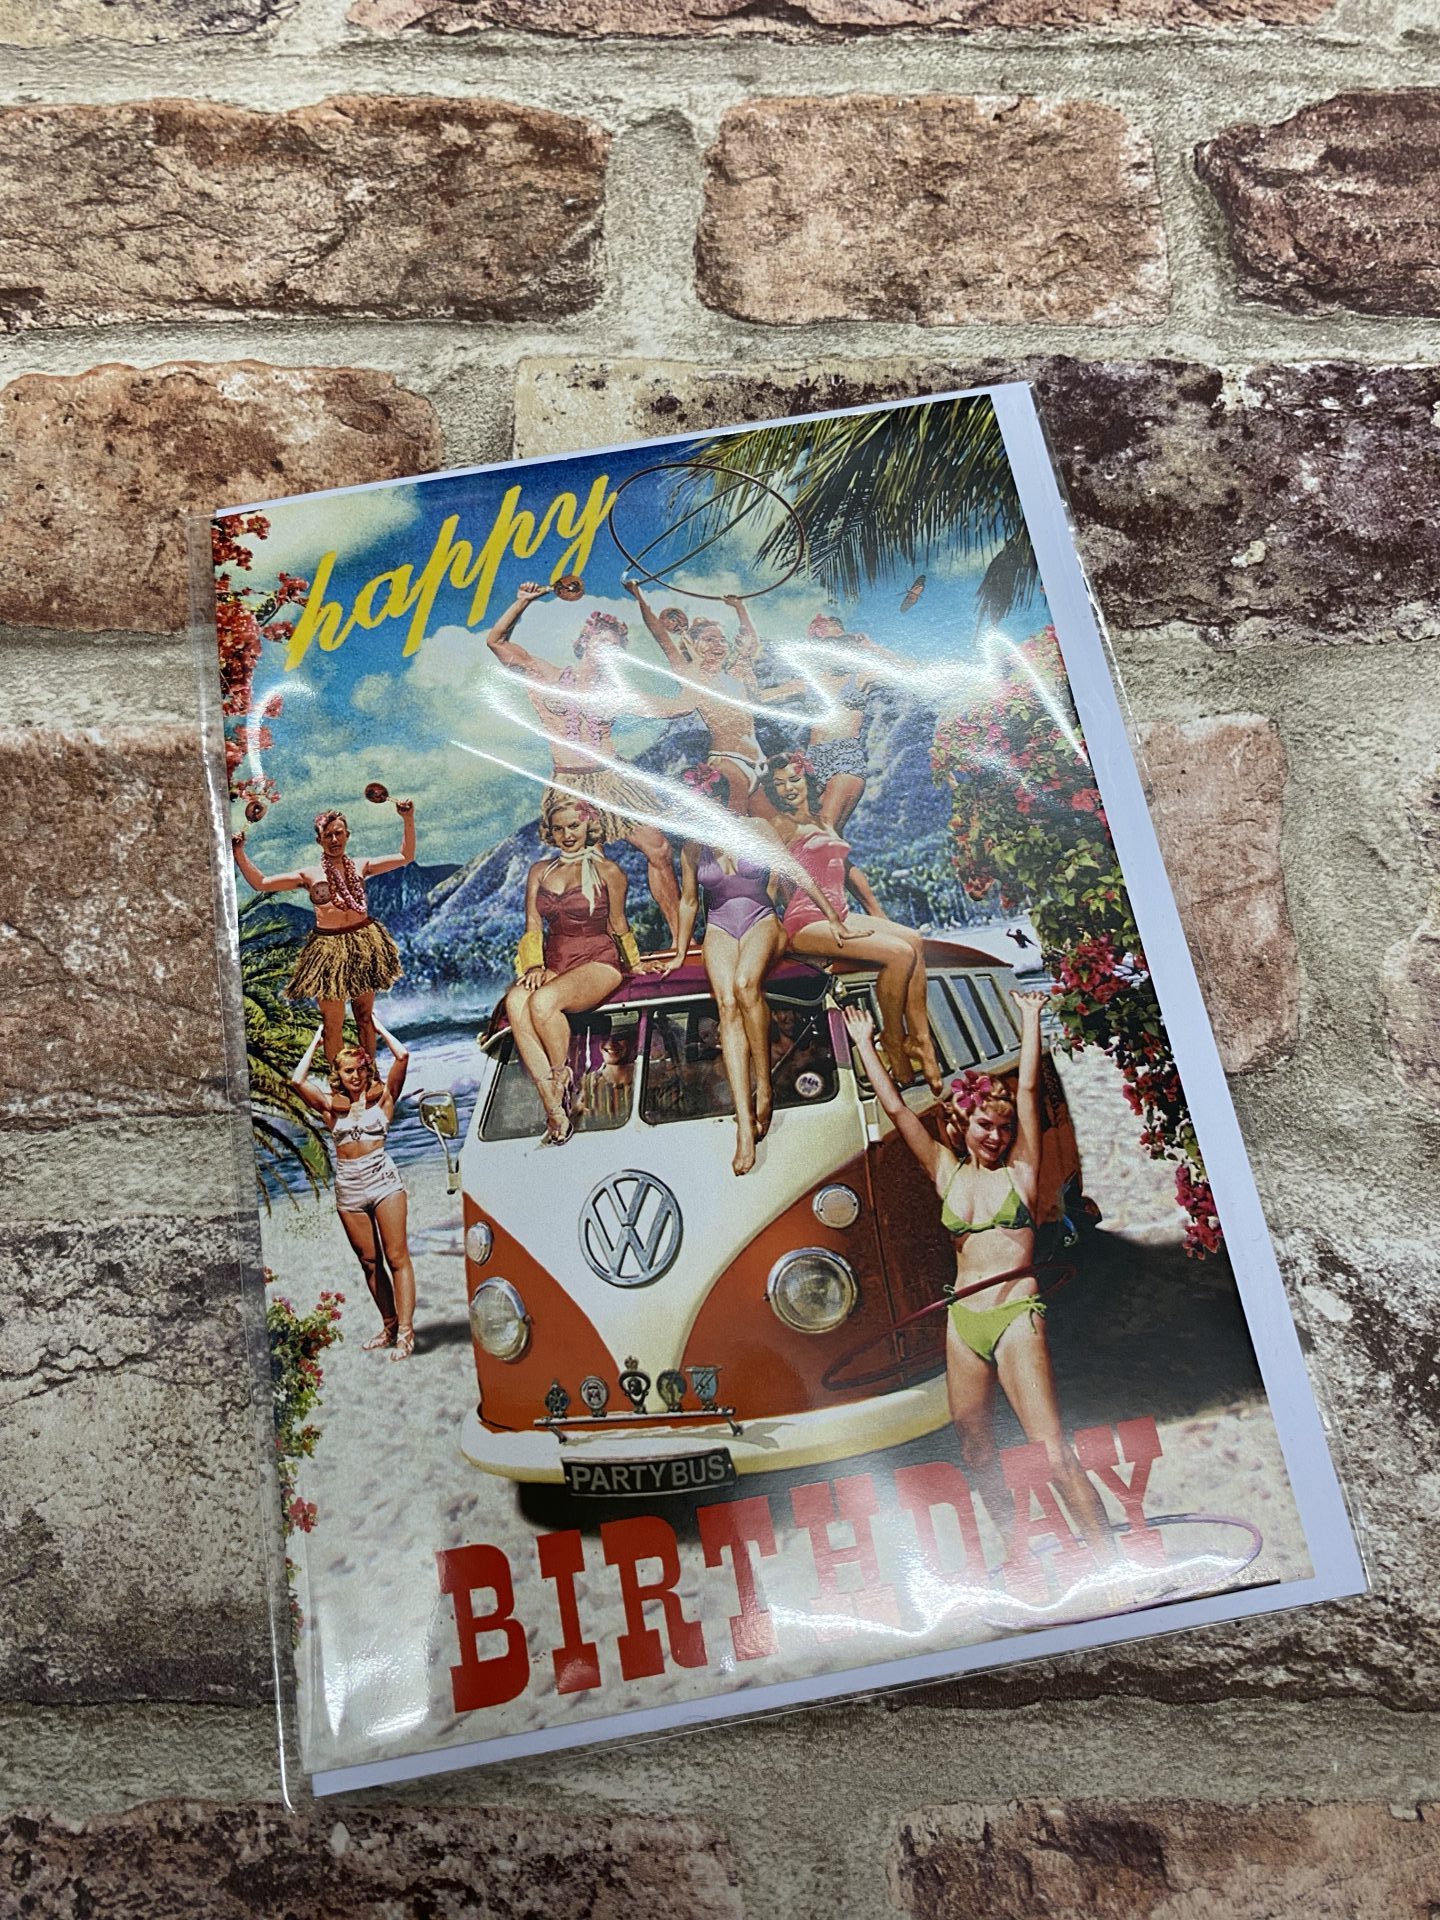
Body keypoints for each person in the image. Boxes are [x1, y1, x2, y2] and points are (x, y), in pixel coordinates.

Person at [841, 995, 1113, 1569]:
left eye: (1004, 1128)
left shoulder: (1022, 1171)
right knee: (976, 1449)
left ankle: (1112, 1565)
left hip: (1015, 1316)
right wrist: (864, 1044)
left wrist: (1031, 1019)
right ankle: (1019, 1553)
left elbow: (1029, 1090)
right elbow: (898, 1111)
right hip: (962, 1320)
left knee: (1050, 1450)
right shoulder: (945, 1172)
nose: (995, 1136)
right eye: (985, 1125)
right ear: (963, 1125)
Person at [659, 762, 854, 1175]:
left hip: (761, 917)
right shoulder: (692, 848)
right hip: (720, 925)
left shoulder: (758, 830)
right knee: (727, 1004)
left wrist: (831, 917)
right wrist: (679, 952)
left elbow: (795, 871)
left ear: (720, 801)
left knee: (746, 985)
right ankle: (744, 1123)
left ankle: (764, 1087)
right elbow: (690, 901)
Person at [485, 581, 680, 939]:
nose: (608, 652)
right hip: (570, 784)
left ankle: (683, 939)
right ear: (585, 642)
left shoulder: (616, 693)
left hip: (613, 780)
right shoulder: (547, 675)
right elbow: (496, 641)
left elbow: (676, 707)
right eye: (601, 642)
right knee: (593, 871)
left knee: (660, 848)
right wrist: (523, 602)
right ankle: (610, 948)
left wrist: (690, 670)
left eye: (615, 648)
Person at [764, 750, 941, 1094]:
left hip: (841, 914)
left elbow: (844, 867)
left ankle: (920, 1040)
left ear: (808, 781)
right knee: (899, 955)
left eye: (794, 779)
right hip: (806, 922)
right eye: (779, 784)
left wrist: (875, 909)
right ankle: (893, 1039)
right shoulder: (780, 825)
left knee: (914, 941)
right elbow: (772, 880)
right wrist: (769, 933)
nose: (788, 788)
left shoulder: (823, 822)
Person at [506, 792, 646, 1144]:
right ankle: (552, 1105)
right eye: (559, 829)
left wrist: (635, 963)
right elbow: (533, 924)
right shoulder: (539, 871)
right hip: (555, 961)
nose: (567, 835)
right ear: (550, 832)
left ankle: (560, 1076)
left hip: (599, 960)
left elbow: (618, 924)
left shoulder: (609, 871)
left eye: (573, 826)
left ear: (587, 826)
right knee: (516, 1001)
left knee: (543, 1003)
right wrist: (534, 964)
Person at [233, 798, 415, 1065]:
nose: (334, 840)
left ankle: (370, 1072)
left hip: (364, 943)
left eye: (338, 833)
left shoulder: (362, 866)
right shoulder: (309, 875)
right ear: (319, 840)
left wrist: (407, 819)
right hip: (328, 950)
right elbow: (262, 883)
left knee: (365, 1017)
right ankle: (337, 1079)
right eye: (327, 835)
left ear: (347, 835)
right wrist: (239, 851)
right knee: (333, 1024)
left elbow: (405, 857)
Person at [290, 1017, 418, 1361]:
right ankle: (389, 1325)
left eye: (361, 1069)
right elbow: (297, 1080)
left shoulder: (384, 1099)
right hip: (348, 1188)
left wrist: (376, 1027)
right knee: (370, 1262)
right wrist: (317, 1042)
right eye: (349, 1071)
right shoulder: (330, 1108)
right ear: (339, 1075)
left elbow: (403, 1056)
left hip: (383, 1181)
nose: (356, 1076)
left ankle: (406, 1332)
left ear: (367, 1069)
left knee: (396, 1257)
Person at [623, 581, 773, 814]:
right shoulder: (692, 676)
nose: (718, 644)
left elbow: (751, 644)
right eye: (709, 639)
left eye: (721, 639)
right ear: (693, 645)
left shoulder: (735, 674)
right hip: (728, 761)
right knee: (738, 827)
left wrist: (740, 607)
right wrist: (638, 594)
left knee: (771, 828)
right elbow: (661, 635)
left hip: (759, 762)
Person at [755, 614, 910, 831]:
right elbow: (758, 697)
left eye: (842, 644)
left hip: (845, 757)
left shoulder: (860, 677)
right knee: (807, 832)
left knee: (823, 830)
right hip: (812, 760)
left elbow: (908, 672)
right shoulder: (808, 683)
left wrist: (872, 647)